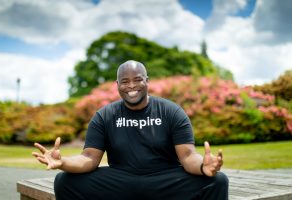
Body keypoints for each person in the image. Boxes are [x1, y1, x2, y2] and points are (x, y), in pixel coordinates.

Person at [32, 60, 229, 200]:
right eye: (125, 81)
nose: (131, 86)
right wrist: (62, 162)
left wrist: (204, 166)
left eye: (137, 79)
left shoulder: (171, 112)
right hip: (120, 180)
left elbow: (187, 157)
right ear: (117, 85)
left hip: (165, 180)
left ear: (147, 81)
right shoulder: (105, 115)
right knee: (64, 181)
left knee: (217, 181)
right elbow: (89, 158)